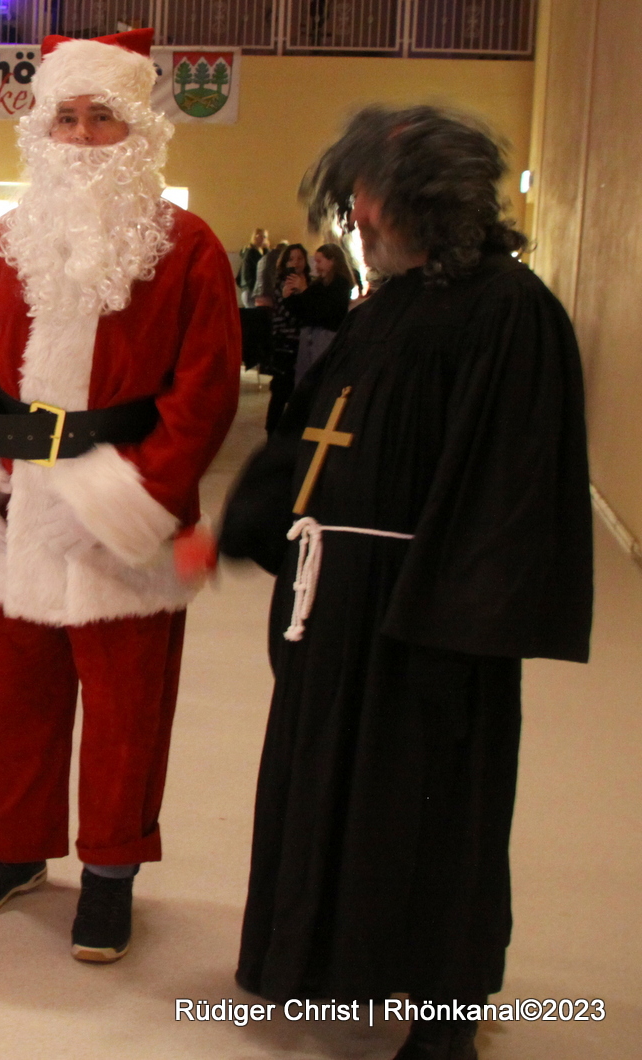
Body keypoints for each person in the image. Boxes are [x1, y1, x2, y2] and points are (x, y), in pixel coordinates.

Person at [219, 106, 593, 1060]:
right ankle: (327, 965)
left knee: (431, 808)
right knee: (329, 789)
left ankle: (443, 1009)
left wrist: (455, 622)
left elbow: (513, 484)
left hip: (427, 618)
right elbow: (310, 435)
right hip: (334, 604)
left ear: (416, 197)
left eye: (363, 194)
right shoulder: (385, 308)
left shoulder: (511, 311)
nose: (355, 213)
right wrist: (254, 525)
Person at [0, 29, 240, 963]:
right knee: (8, 695)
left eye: (104, 118)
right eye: (68, 116)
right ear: (40, 128)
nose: (84, 136)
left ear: (137, 130)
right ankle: (12, 851)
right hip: (12, 506)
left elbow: (206, 388)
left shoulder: (189, 248)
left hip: (124, 507)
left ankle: (109, 874)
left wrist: (139, 498)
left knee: (128, 709)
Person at [279, 241, 353, 382]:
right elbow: (303, 312)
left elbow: (325, 312)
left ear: (332, 261)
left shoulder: (340, 284)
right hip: (309, 336)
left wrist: (304, 290)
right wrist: (288, 298)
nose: (316, 266)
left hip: (326, 337)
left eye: (319, 261)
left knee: (320, 379)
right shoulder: (319, 283)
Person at [260, 243, 308, 433]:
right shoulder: (282, 283)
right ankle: (272, 432)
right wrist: (292, 296)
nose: (296, 263)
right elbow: (290, 315)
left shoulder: (308, 282)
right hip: (284, 344)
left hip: (303, 344)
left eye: (300, 259)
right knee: (280, 392)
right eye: (291, 259)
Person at [236, 227, 268, 305]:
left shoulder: (254, 252)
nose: (264, 239)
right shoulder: (252, 253)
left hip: (249, 290)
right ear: (256, 237)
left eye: (265, 237)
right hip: (251, 290)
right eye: (262, 236)